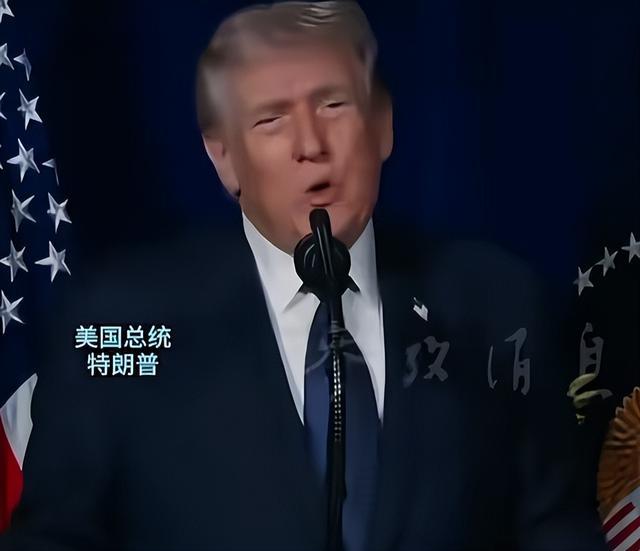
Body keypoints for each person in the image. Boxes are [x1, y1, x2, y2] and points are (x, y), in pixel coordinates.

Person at [0, 2, 608, 550]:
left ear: (384, 124)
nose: (311, 144)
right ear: (224, 157)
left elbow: (553, 525)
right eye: (271, 120)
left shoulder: (496, 302)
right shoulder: (120, 322)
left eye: (333, 105)